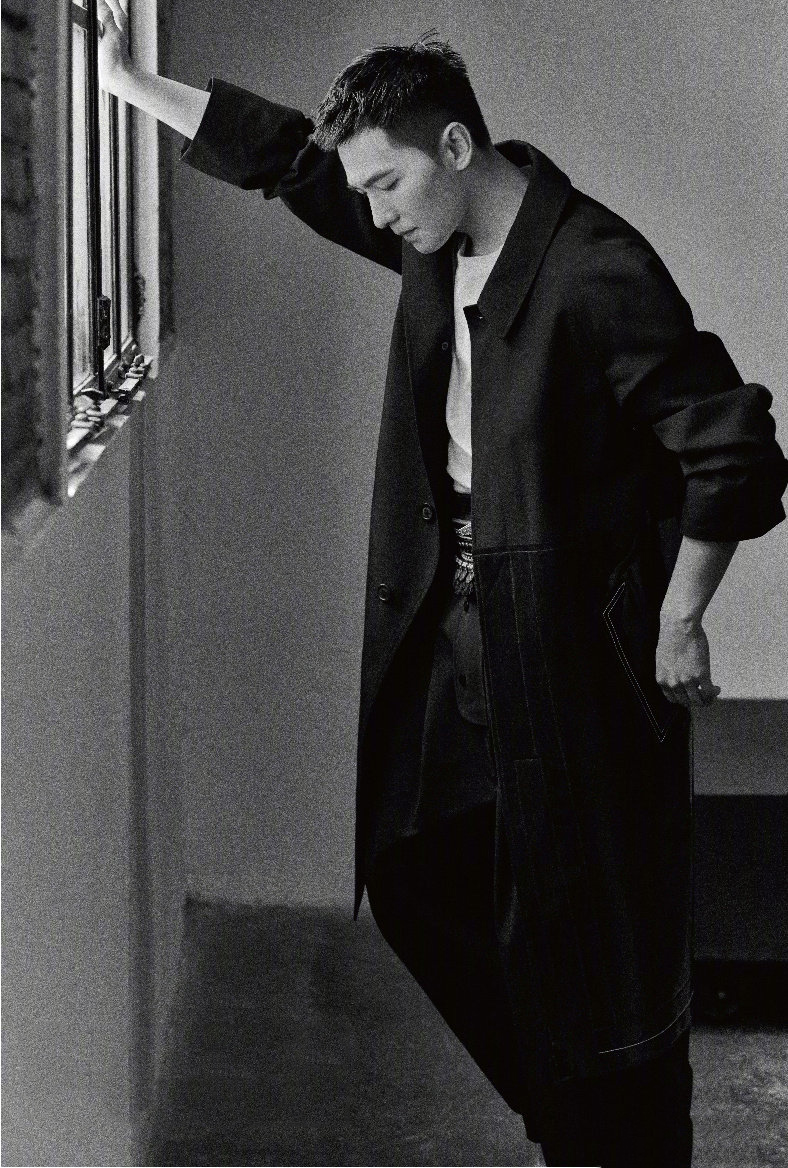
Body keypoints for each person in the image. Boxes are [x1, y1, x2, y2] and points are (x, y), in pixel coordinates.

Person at [98, 6, 788, 1164]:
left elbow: (734, 449)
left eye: (386, 185)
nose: (372, 214)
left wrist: (679, 617)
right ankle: (571, 1112)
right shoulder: (433, 236)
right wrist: (128, 84)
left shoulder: (595, 269)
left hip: (569, 643)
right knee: (413, 865)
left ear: (456, 147)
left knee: (592, 932)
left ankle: (610, 1132)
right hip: (456, 612)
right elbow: (291, 161)